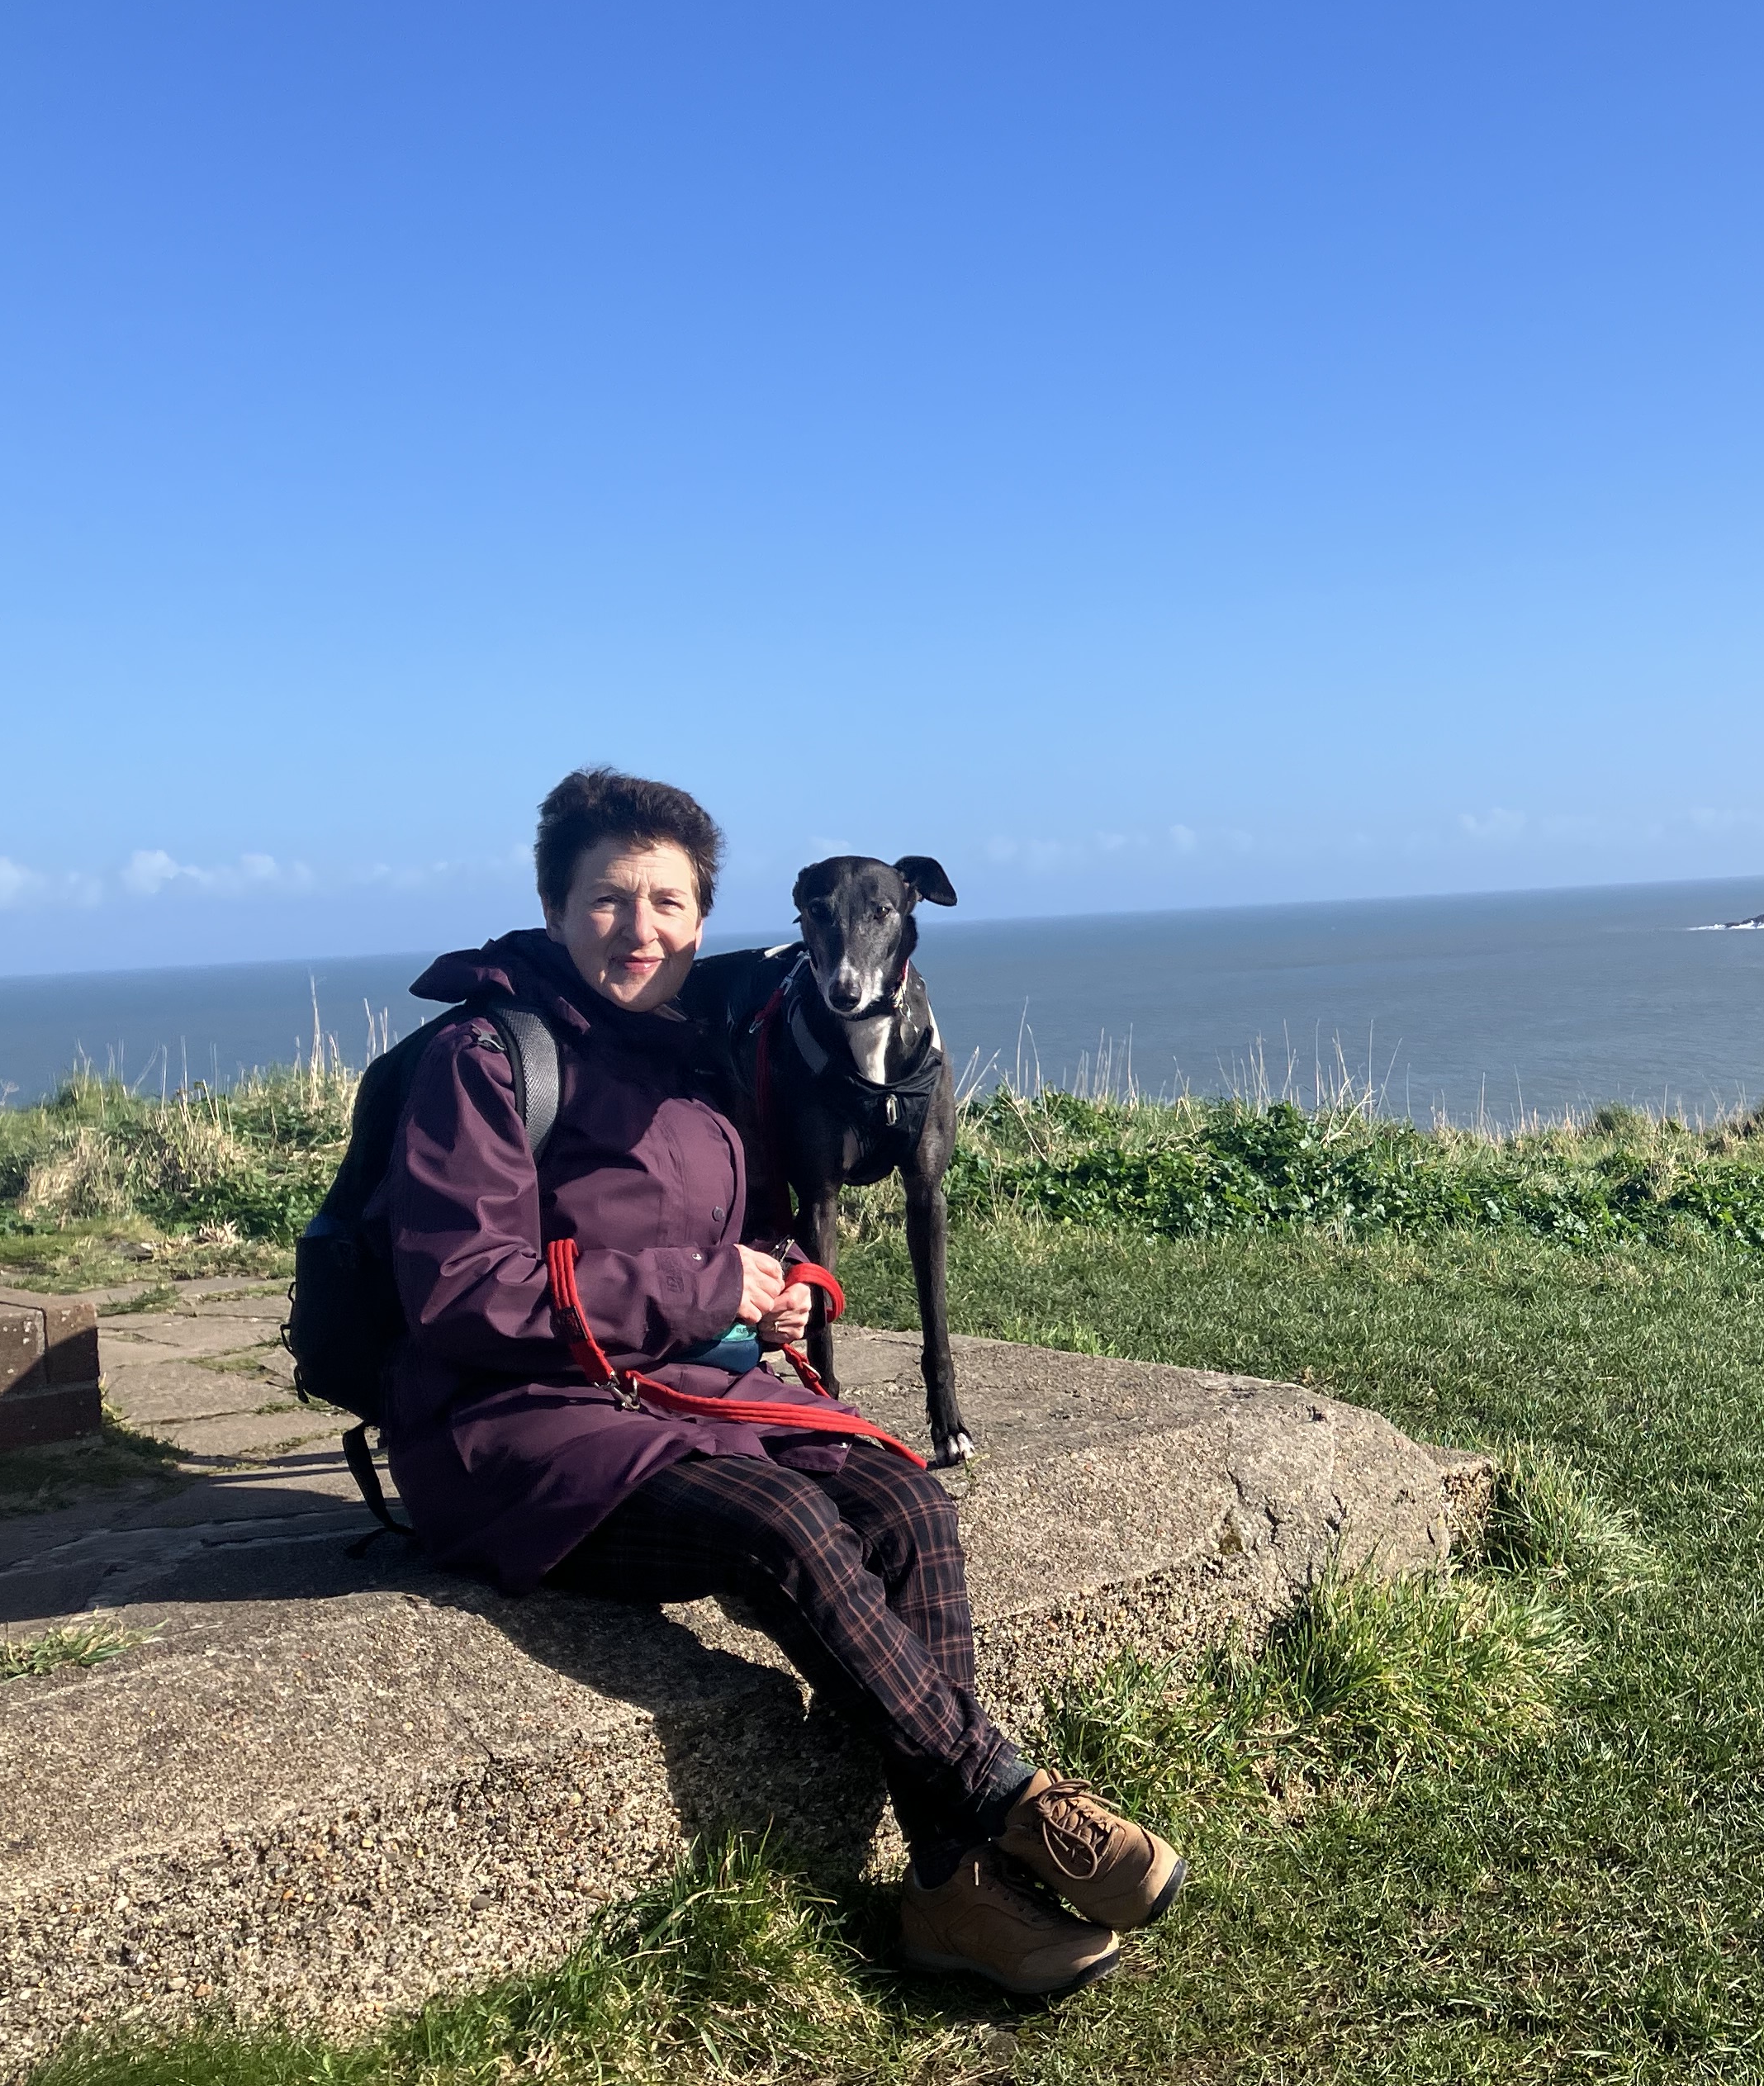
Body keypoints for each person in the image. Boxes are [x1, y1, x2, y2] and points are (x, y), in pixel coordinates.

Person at [372, 766, 1179, 1998]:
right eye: (608, 900)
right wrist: (703, 1289)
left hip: (688, 1399)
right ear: (553, 905)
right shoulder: (485, 1061)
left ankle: (950, 1891)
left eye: (669, 903)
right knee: (788, 1522)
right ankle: (1007, 1797)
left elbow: (752, 1228)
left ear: (702, 919)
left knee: (909, 1504)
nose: (640, 930)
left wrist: (793, 1281)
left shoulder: (700, 1057)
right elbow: (461, 1292)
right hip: (513, 1428)